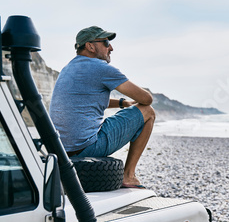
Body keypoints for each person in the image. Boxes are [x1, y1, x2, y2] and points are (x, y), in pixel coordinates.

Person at [49, 26, 155, 189]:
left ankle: (128, 175)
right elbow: (146, 99)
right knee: (148, 112)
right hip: (87, 148)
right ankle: (128, 176)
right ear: (90, 46)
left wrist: (121, 103)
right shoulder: (100, 68)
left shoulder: (68, 69)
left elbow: (87, 102)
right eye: (105, 42)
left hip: (61, 150)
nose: (111, 47)